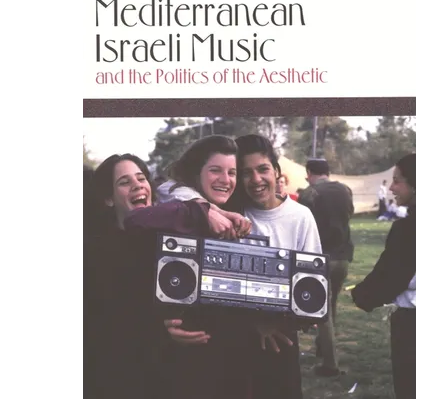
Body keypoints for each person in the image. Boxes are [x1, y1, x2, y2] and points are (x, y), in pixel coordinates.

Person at [161, 134, 322, 399]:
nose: (256, 179)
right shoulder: (229, 209)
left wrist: (281, 321)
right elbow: (170, 188)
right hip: (233, 335)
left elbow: (312, 285)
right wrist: (206, 209)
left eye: (263, 169)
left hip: (278, 337)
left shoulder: (300, 216)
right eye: (246, 173)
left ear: (277, 171)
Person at [81, 152, 241, 399]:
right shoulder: (96, 250)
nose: (137, 185)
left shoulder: (168, 238)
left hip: (169, 375)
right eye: (124, 182)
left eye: (141, 178)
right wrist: (159, 330)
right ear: (108, 198)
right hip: (118, 377)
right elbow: (106, 321)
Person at [351, 154, 416, 399]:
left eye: (397, 181)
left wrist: (362, 295)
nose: (391, 188)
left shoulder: (408, 228)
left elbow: (390, 276)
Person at [298, 158, 354, 378]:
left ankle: (330, 364)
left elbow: (301, 223)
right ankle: (323, 346)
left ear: (310, 173)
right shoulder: (345, 190)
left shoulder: (309, 193)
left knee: (322, 311)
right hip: (343, 255)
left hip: (320, 257)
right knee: (332, 304)